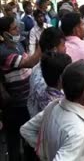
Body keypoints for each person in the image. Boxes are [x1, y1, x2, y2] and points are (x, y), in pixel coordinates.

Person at [20, 60, 84, 161]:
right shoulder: (77, 130)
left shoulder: (52, 107)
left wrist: (43, 152)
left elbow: (26, 130)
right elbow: (26, 131)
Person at [0, 16, 41, 161]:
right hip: (15, 105)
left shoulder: (17, 45)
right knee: (15, 143)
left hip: (25, 101)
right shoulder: (3, 52)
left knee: (28, 140)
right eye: (13, 28)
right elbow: (29, 62)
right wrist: (41, 45)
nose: (18, 30)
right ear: (5, 33)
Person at [27, 27, 67, 117]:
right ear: (54, 49)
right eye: (63, 45)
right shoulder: (43, 77)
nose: (65, 48)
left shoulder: (39, 68)